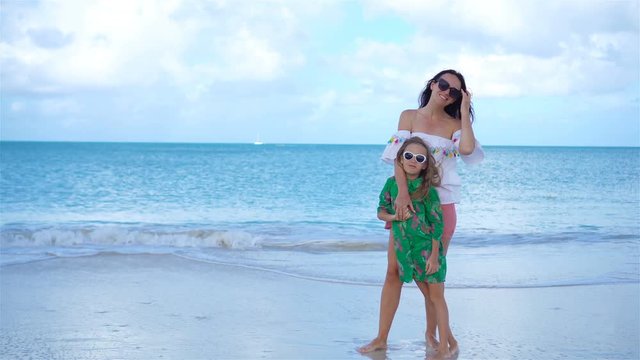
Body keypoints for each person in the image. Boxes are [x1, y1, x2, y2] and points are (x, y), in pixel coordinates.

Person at [359, 69, 483, 355]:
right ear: (431, 83)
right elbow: (398, 162)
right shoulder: (409, 117)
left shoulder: (455, 124)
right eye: (443, 85)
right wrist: (401, 194)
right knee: (393, 271)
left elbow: (466, 149)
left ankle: (433, 336)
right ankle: (380, 338)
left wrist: (464, 111)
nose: (447, 92)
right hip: (408, 203)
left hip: (441, 205)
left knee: (431, 277)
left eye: (455, 91)